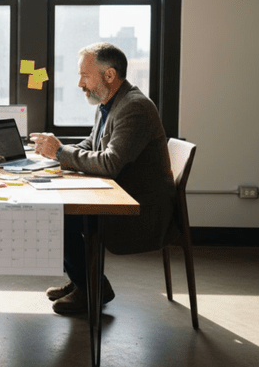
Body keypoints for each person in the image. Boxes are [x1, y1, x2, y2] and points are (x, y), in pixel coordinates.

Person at [30, 42, 178, 315]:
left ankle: (91, 287)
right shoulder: (108, 103)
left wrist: (61, 152)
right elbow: (91, 145)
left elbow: (110, 163)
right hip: (121, 196)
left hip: (141, 212)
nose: (79, 84)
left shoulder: (134, 107)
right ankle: (83, 280)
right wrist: (53, 154)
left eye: (85, 76)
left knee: (59, 214)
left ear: (109, 75)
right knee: (60, 210)